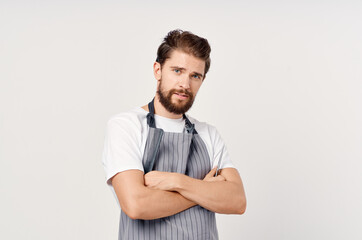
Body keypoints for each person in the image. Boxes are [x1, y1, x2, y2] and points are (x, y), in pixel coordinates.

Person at [102, 29, 246, 240]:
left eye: (195, 76)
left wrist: (178, 182)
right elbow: (136, 205)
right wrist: (203, 191)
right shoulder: (126, 126)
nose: (185, 84)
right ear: (158, 70)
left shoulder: (208, 134)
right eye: (177, 71)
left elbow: (237, 200)